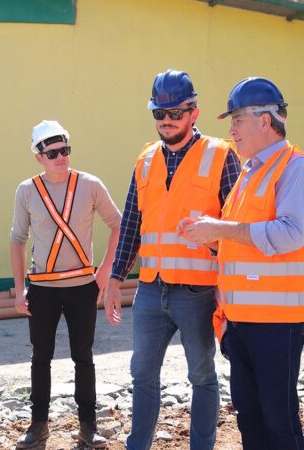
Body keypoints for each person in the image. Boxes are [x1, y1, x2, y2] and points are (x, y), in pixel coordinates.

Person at [179, 77, 304, 450]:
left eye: (237, 120)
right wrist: (211, 236)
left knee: (278, 418)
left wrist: (220, 227)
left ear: (264, 121)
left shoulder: (297, 168)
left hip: (278, 324)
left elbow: (290, 233)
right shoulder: (250, 171)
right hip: (242, 322)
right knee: (250, 417)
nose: (231, 130)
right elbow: (242, 241)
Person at [102, 69, 241, 450]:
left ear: (194, 113)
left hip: (198, 291)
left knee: (202, 376)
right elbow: (132, 221)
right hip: (150, 288)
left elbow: (237, 227)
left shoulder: (221, 155)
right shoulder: (146, 159)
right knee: (142, 374)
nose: (166, 120)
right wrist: (115, 279)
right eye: (158, 114)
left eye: (175, 113)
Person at [11, 120, 121, 449]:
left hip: (82, 287)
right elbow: (17, 239)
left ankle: (88, 427)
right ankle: (38, 426)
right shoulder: (27, 190)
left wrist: (105, 271)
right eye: (53, 152)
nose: (61, 156)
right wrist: (19, 289)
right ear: (39, 156)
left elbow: (119, 224)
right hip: (42, 289)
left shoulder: (90, 184)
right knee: (40, 357)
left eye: (65, 150)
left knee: (83, 356)